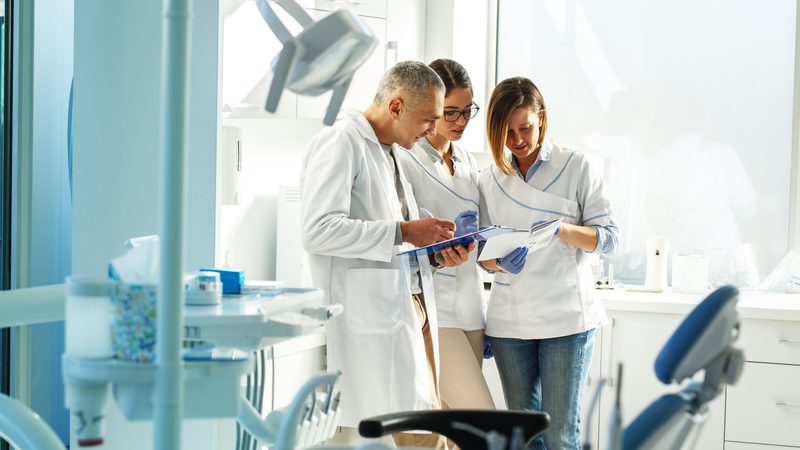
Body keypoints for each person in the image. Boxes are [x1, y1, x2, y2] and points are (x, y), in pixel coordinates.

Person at [300, 60, 476, 448]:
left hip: (412, 305)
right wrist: (405, 232)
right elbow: (317, 230)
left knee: (432, 430)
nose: (434, 129)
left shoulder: (390, 149)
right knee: (423, 437)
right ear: (395, 106)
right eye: (428, 119)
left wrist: (435, 250)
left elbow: (400, 234)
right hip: (376, 312)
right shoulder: (340, 141)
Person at [478, 77, 619, 450]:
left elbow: (608, 238)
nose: (517, 140)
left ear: (541, 118)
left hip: (565, 318)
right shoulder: (489, 179)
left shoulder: (576, 166)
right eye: (506, 132)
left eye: (524, 127)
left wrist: (561, 230)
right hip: (511, 319)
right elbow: (483, 258)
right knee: (524, 437)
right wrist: (498, 262)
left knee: (559, 436)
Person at [395, 59, 495, 411]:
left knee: (455, 437)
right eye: (450, 113)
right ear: (432, 107)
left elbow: (482, 234)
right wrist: (439, 248)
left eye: (468, 112)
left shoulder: (468, 159)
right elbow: (401, 238)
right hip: (435, 309)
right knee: (484, 425)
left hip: (471, 308)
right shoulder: (405, 159)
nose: (461, 122)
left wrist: (496, 252)